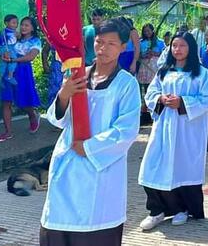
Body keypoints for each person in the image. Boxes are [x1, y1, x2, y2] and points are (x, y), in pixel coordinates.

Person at [40, 19, 141, 245]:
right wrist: (64, 94)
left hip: (101, 167)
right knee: (57, 223)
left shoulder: (126, 84)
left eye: (111, 44)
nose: (103, 48)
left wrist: (89, 147)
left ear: (123, 47)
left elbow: (126, 130)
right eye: (99, 42)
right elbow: (58, 120)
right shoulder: (78, 76)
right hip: (68, 162)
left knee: (94, 226)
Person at [138, 32, 208, 230]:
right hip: (164, 126)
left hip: (187, 129)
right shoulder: (164, 71)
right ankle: (157, 210)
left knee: (182, 167)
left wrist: (182, 102)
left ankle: (182, 209)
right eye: (174, 45)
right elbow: (151, 92)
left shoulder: (200, 72)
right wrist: (161, 99)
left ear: (190, 48)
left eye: (182, 46)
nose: (177, 50)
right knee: (153, 165)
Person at [0, 17, 42, 142]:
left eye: (27, 25)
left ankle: (33, 115)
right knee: (6, 100)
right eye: (22, 25)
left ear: (32, 28)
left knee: (24, 101)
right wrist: (3, 55)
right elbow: (1, 49)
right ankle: (8, 131)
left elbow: (30, 57)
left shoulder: (35, 41)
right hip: (7, 71)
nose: (23, 27)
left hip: (23, 71)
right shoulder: (13, 36)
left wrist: (13, 60)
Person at [0, 14, 19, 86]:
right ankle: (10, 76)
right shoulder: (5, 32)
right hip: (7, 48)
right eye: (13, 23)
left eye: (17, 23)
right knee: (13, 60)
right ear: (6, 23)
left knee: (3, 64)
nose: (16, 25)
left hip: (9, 48)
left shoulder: (14, 32)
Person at [138, 24, 165, 96]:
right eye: (145, 31)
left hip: (155, 66)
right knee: (146, 86)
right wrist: (144, 55)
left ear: (153, 31)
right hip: (145, 66)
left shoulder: (160, 42)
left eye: (148, 31)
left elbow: (164, 54)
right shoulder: (140, 42)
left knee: (155, 84)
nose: (147, 33)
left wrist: (155, 53)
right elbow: (138, 55)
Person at [42, 44, 63, 109]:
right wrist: (45, 64)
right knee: (54, 91)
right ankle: (53, 112)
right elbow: (45, 51)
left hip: (72, 66)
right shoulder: (53, 36)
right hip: (57, 67)